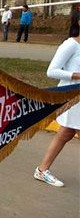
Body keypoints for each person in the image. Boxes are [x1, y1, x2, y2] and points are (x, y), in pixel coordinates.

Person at [33, 15, 79, 187]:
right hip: (72, 97)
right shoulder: (70, 44)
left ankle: (42, 170)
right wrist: (77, 75)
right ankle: (42, 170)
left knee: (66, 133)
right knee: (67, 132)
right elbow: (51, 71)